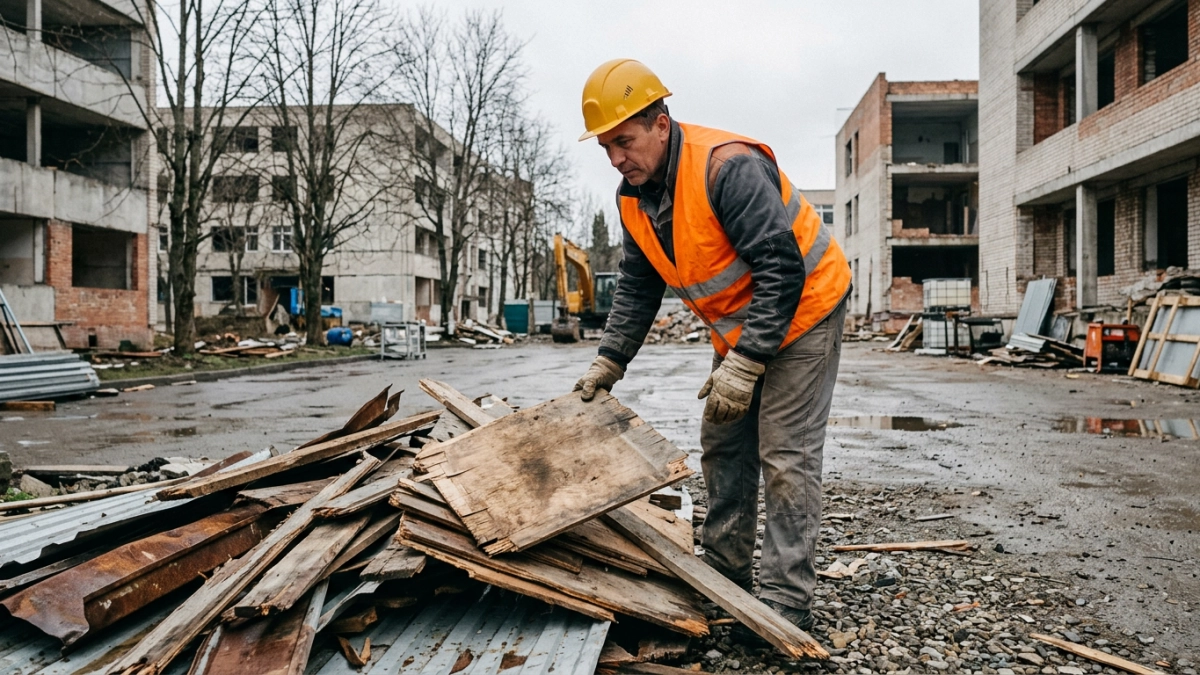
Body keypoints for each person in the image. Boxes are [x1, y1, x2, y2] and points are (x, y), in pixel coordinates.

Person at [573, 59, 851, 633]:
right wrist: (610, 358)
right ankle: (725, 574)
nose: (617, 158)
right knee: (723, 444)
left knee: (785, 453)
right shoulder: (634, 197)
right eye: (606, 148)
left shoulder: (728, 167)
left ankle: (784, 602)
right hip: (741, 326)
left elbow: (780, 267)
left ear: (662, 124)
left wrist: (746, 363)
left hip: (806, 307)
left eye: (624, 141)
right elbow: (637, 282)